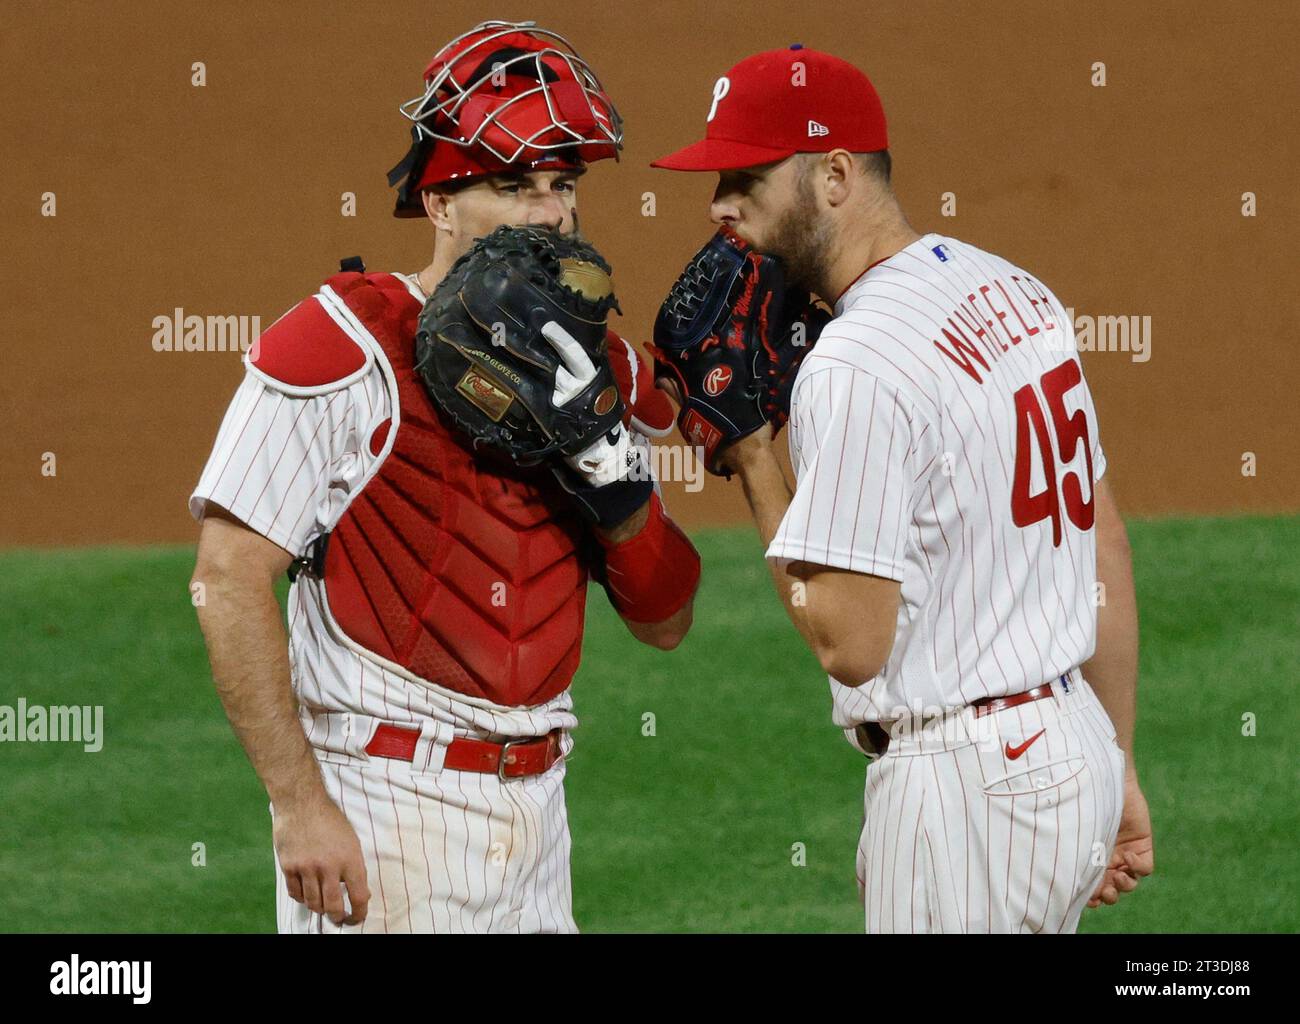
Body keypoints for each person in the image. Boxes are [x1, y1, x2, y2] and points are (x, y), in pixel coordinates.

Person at [189, 20, 699, 934]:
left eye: (561, 186)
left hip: (541, 821)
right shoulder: (342, 345)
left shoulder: (590, 365)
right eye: (512, 185)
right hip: (384, 812)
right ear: (438, 203)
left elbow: (666, 623)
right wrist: (298, 805)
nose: (547, 213)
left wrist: (618, 490)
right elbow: (226, 578)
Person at [651, 44, 1152, 932]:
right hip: (1066, 747)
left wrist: (755, 459)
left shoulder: (856, 361)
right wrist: (1114, 762)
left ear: (835, 174)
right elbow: (1102, 546)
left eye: (747, 178)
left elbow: (851, 643)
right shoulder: (1013, 288)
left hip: (967, 797)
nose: (718, 205)